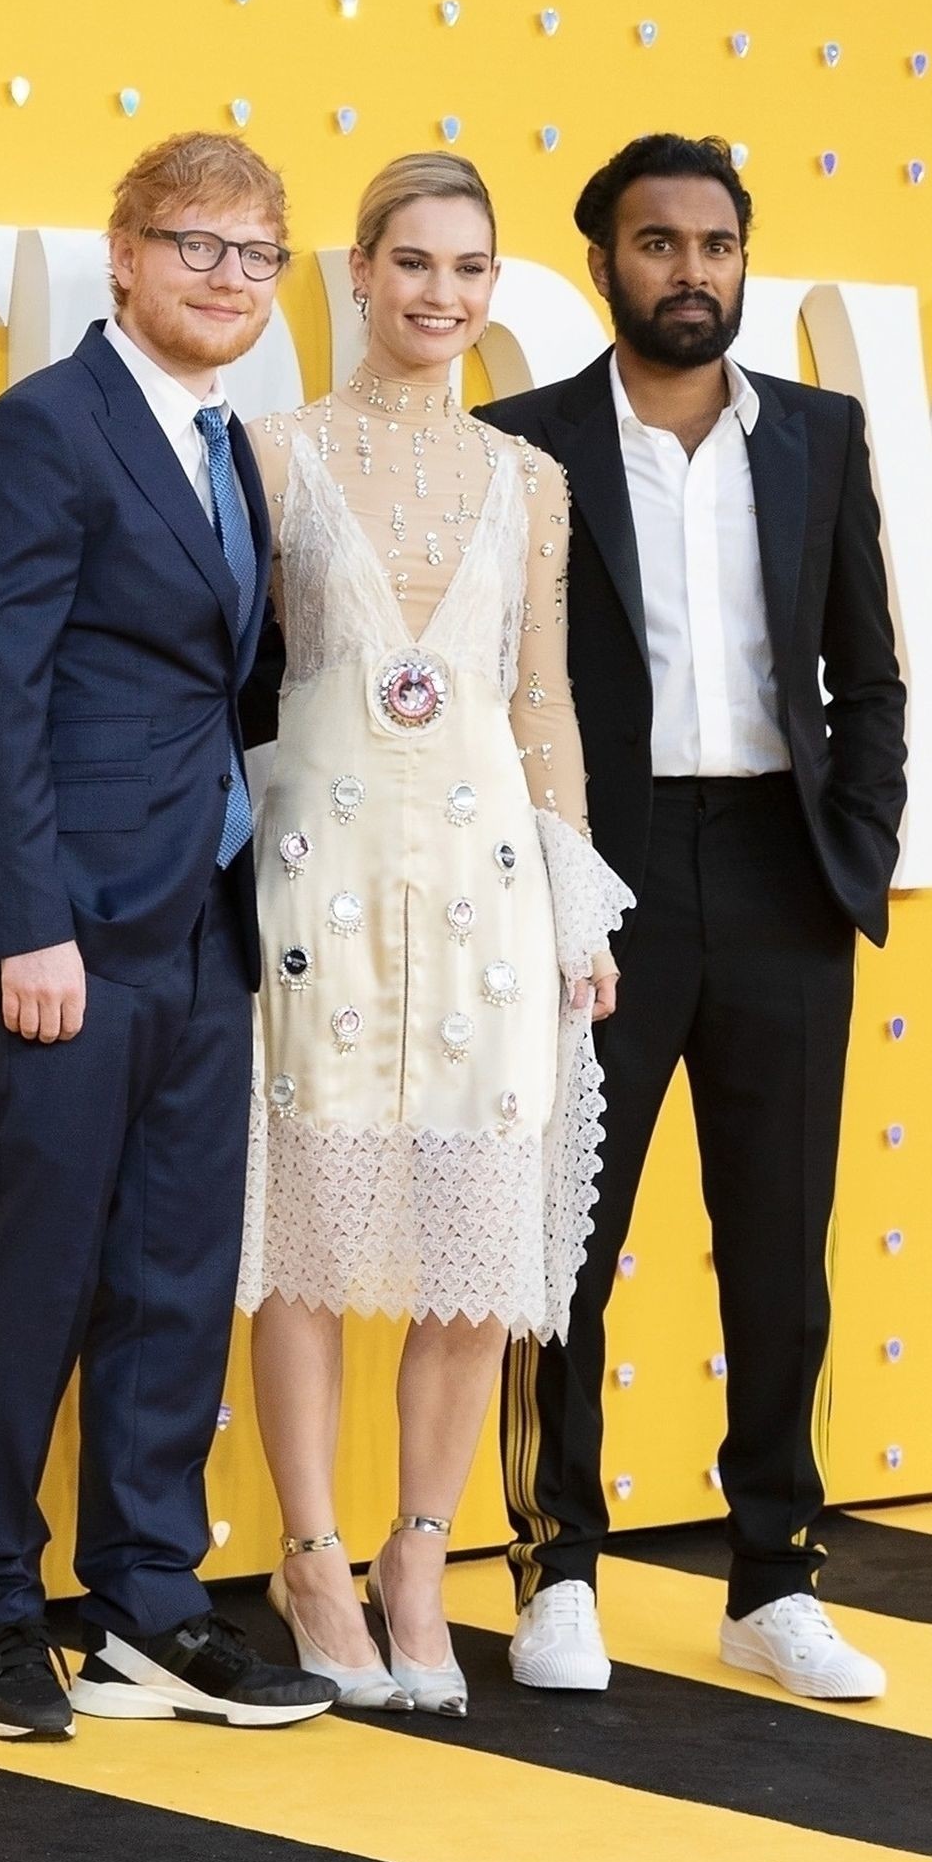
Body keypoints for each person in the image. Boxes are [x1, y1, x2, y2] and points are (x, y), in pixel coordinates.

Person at [477, 134, 908, 1701]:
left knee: (781, 1250)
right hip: (604, 872)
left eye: (715, 244)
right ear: (604, 262)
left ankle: (775, 1579)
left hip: (784, 873)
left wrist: (853, 844)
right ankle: (557, 1568)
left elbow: (868, 671)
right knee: (565, 1245)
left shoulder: (816, 433)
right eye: (659, 243)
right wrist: (538, 876)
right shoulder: (523, 444)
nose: (691, 270)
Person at [0, 131, 334, 1740]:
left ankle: (149, 1607)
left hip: (203, 929)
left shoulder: (231, 449)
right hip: (63, 941)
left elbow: (222, 691)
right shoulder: (43, 429)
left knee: (175, 1280)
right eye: (195, 246)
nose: (228, 279)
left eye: (257, 255)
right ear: (122, 253)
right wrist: (28, 926)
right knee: (34, 1281)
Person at [239, 154, 632, 1719]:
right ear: (358, 272)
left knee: (476, 1244)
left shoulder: (528, 480)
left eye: (470, 269)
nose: (441, 295)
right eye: (413, 263)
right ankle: (312, 1559)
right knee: (303, 1236)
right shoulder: (274, 454)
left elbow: (542, 699)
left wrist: (576, 896)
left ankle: (421, 1556)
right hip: (316, 880)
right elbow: (234, 674)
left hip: (487, 887)